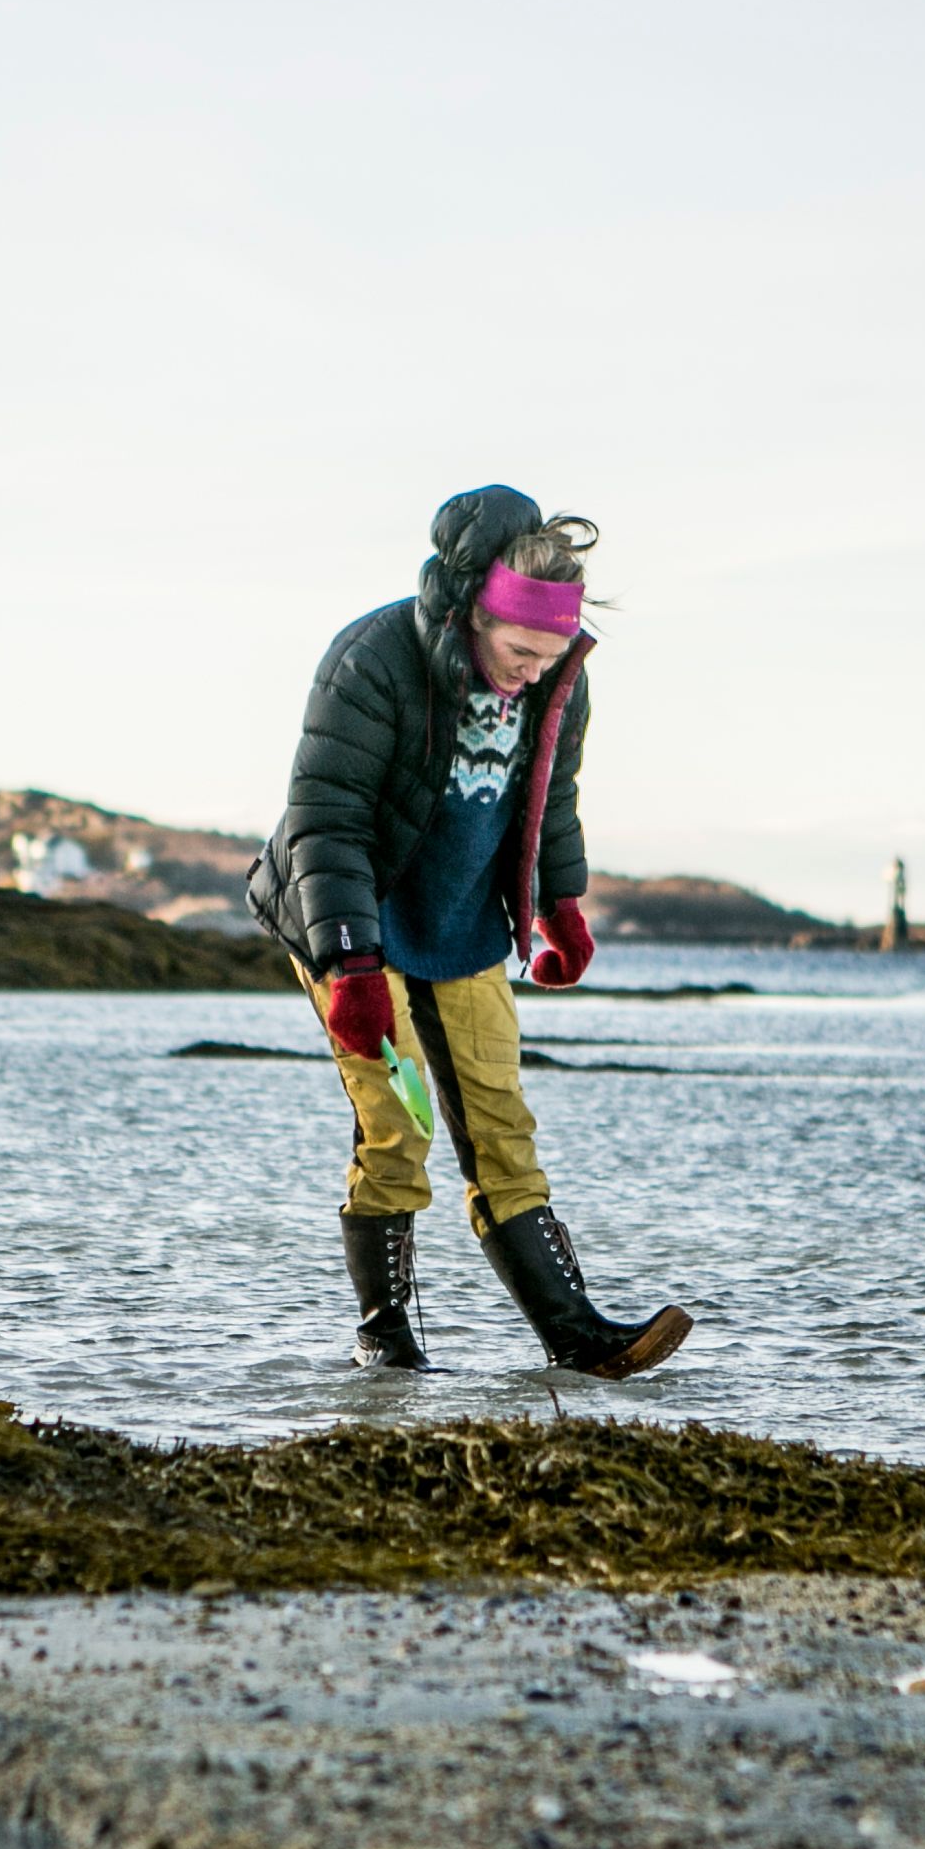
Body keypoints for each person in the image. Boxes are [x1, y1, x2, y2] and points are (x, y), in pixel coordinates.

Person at [248, 486, 693, 1378]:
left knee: (502, 1128)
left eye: (550, 654)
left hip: (461, 926)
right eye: (520, 652)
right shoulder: (372, 659)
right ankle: (387, 1342)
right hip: (351, 921)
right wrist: (353, 967)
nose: (532, 671)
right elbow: (323, 823)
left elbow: (550, 800)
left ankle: (578, 1339)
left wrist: (558, 904)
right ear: (475, 616)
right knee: (397, 1131)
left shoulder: (558, 677)